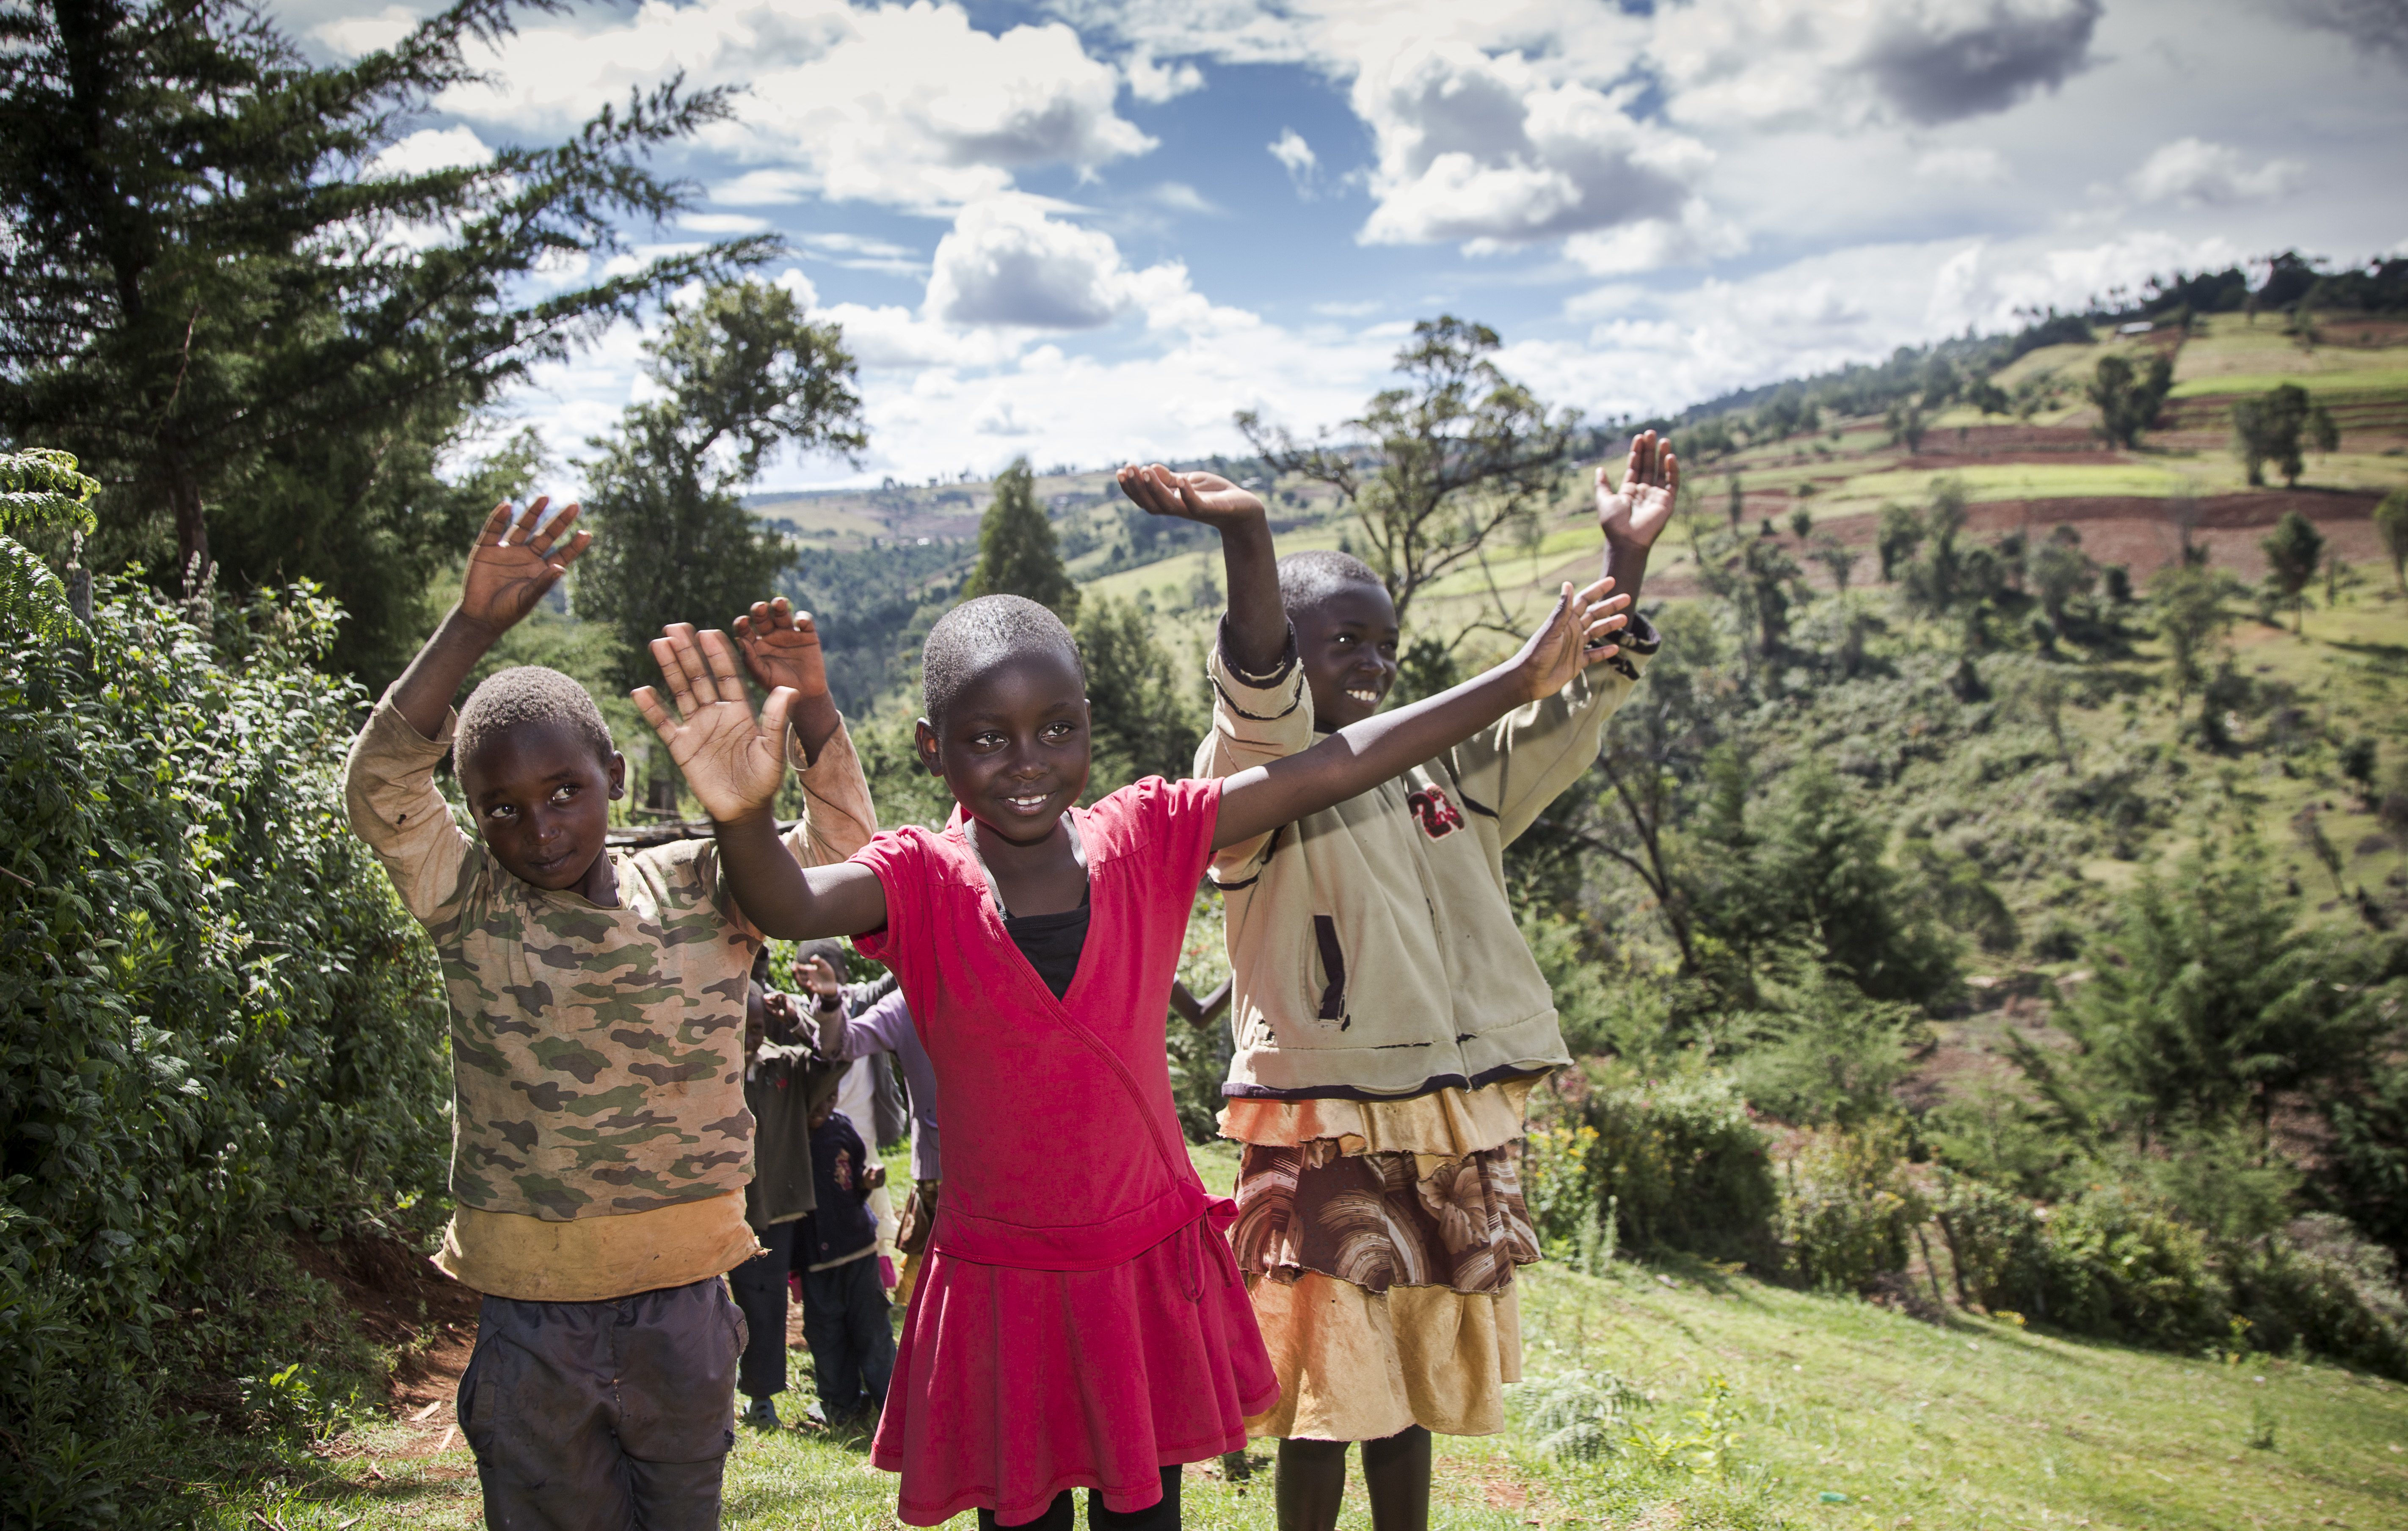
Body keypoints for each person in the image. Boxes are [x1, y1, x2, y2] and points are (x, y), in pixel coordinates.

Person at [625, 488, 1634, 1531]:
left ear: (1088, 730)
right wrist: (741, 814)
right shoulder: (920, 877)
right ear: (934, 749)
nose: (1026, 760)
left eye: (1054, 728)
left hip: (1139, 1273)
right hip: (1000, 1278)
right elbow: (783, 904)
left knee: (1143, 1512)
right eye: (988, 737)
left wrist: (1519, 678)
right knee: (1019, 1514)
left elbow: (1334, 760)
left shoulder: (1145, 834)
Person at [1122, 433, 1677, 1531]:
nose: (1372, 662)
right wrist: (1250, 537)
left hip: (1445, 1113)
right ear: (1297, 650)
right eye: (1344, 642)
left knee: (1409, 1378)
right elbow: (1259, 690)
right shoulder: (1254, 785)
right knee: (1330, 1392)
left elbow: (1571, 710)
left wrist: (1625, 562)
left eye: (1385, 643)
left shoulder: (1445, 777)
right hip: (1328, 1111)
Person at [341, 499, 875, 1529]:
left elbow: (843, 851)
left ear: (615, 778)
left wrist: (807, 709)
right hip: (528, 1315)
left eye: (563, 791)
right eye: (500, 806)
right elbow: (381, 785)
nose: (537, 826)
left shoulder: (705, 884)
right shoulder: (466, 902)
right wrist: (471, 627)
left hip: (681, 1305)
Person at [791, 951, 945, 1303]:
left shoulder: (994, 988)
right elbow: (839, 1046)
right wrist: (829, 1000)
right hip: (940, 1167)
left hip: (1002, 1161)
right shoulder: (902, 1006)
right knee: (947, 1272)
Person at [730, 968, 844, 1430]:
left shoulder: (786, 1066)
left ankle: (761, 1397)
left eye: (757, 1029)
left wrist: (799, 1020)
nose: (751, 1039)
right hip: (713, 1209)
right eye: (742, 1029)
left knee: (766, 1302)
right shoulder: (708, 1071)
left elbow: (833, 1059)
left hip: (772, 1208)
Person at [796, 1089, 896, 1426]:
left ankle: (894, 1408)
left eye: (831, 1098)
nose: (824, 1107)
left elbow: (856, 1176)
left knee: (873, 1332)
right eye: (816, 1098)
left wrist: (868, 1180)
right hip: (815, 1259)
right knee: (825, 1335)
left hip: (858, 1251)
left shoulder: (840, 1127)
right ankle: (841, 1405)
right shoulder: (788, 1135)